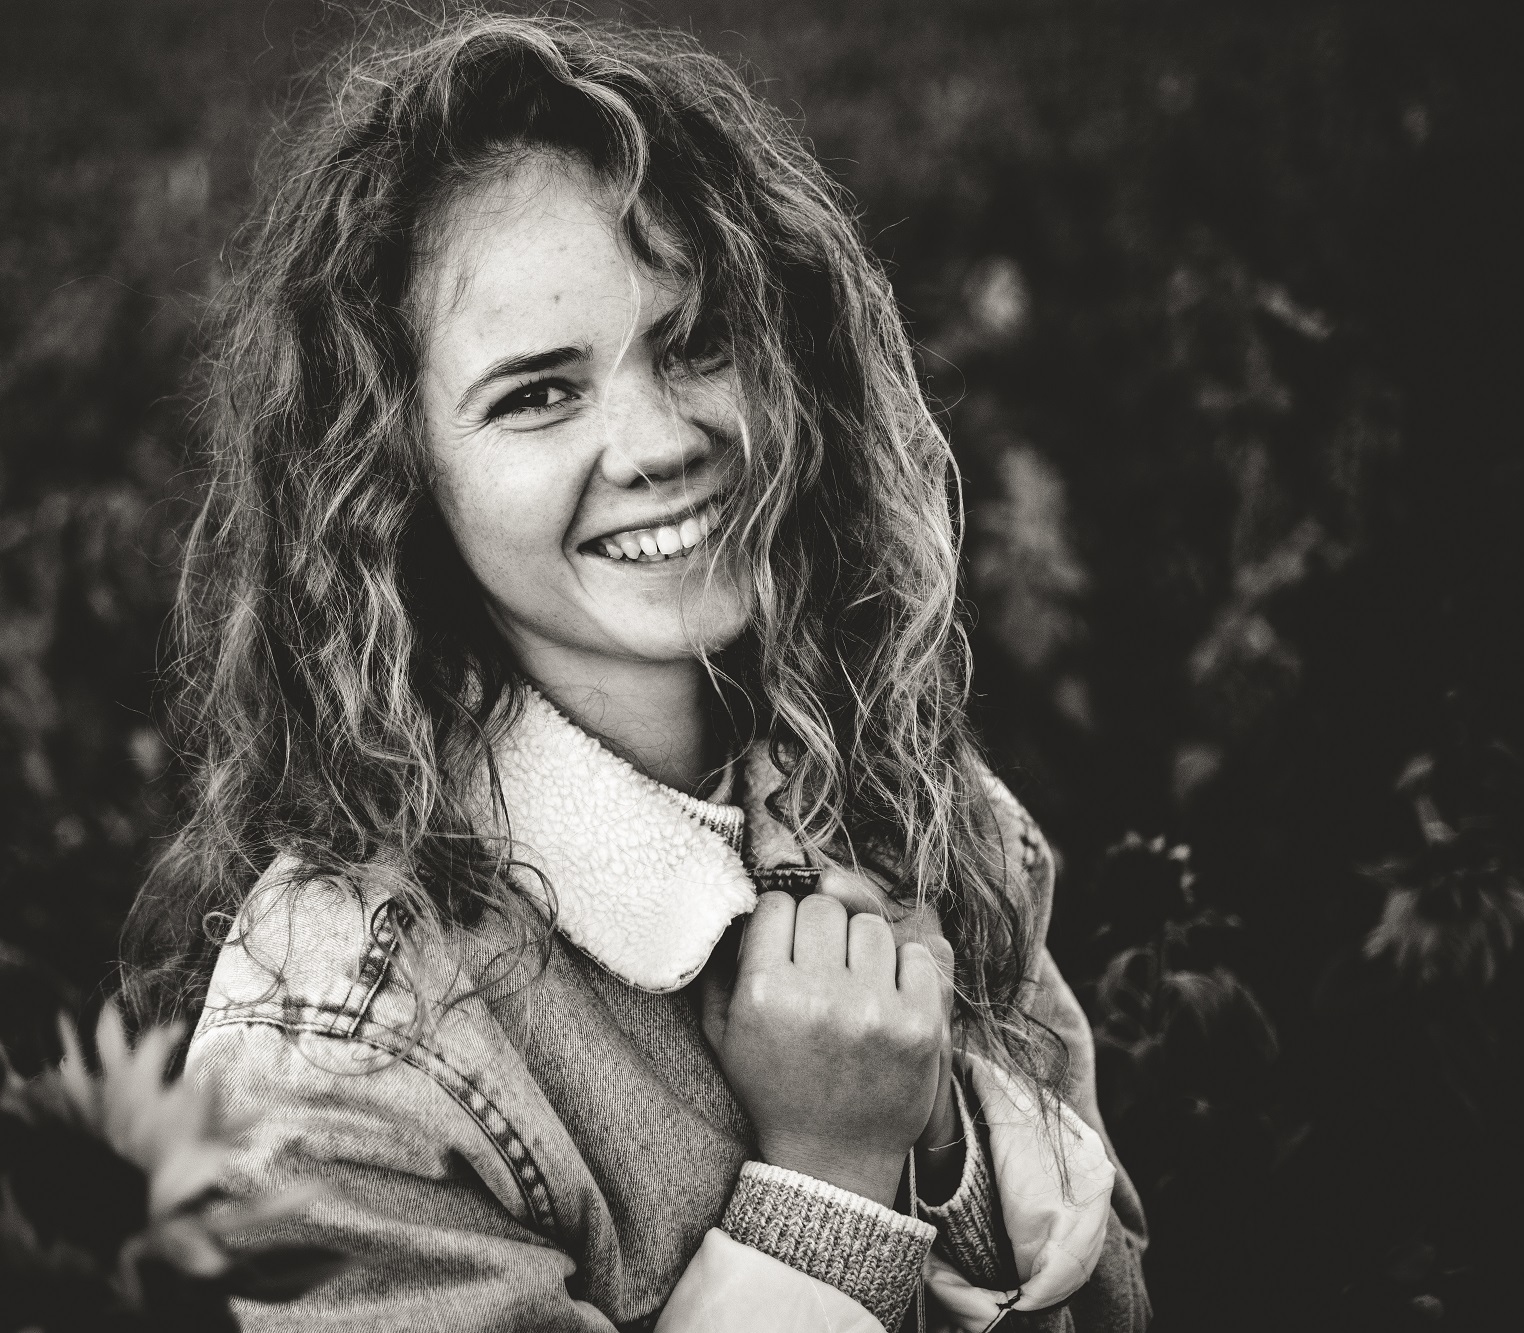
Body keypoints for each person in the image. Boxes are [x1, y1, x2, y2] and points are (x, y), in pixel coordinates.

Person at [121, 13, 1150, 1331]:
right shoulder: (336, 1058)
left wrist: (939, 1139)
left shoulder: (904, 788)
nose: (660, 441)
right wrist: (829, 1183)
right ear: (396, 475)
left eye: (695, 339)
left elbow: (1121, 1294)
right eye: (537, 394)